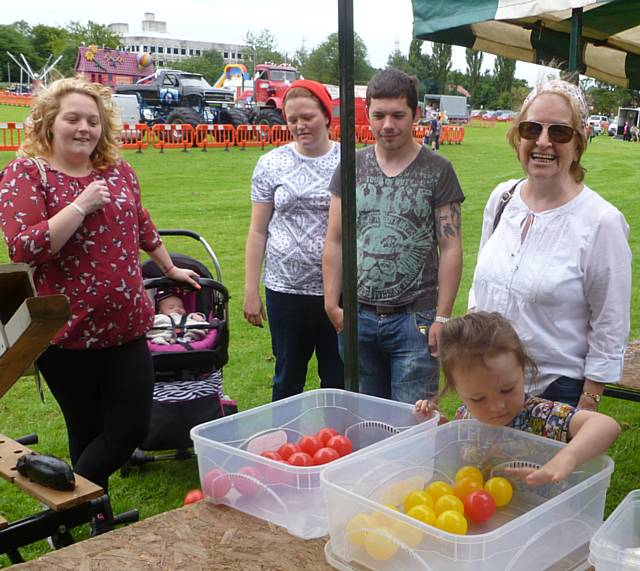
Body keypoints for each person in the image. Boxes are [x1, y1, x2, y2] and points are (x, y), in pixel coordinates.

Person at [0, 77, 200, 496]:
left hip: (127, 325)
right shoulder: (25, 174)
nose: (84, 128)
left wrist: (168, 266)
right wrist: (80, 205)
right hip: (66, 334)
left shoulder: (117, 170)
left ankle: (68, 507)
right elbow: (27, 247)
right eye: (72, 118)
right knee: (87, 431)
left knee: (130, 428)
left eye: (93, 120)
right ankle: (89, 519)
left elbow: (141, 222)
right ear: (50, 122)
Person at [469, 79, 631, 409]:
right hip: (489, 386)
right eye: (532, 129)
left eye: (558, 132)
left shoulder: (601, 222)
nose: (543, 142)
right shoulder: (502, 198)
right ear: (518, 137)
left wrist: (588, 401)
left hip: (555, 393)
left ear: (578, 143)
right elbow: (479, 286)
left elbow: (610, 325)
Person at [323, 68, 464, 404]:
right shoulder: (350, 166)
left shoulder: (438, 170)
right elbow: (335, 239)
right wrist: (331, 303)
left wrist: (442, 316)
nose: (388, 124)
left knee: (410, 422)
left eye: (398, 115)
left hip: (415, 319)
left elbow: (450, 245)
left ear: (415, 114)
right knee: (363, 417)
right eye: (379, 115)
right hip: (357, 315)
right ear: (368, 115)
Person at [415, 312, 621, 486]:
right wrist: (440, 431)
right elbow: (457, 468)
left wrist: (567, 458)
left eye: (507, 389)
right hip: (491, 525)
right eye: (478, 398)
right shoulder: (464, 418)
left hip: (542, 520)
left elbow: (606, 425)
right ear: (457, 392)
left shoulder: (541, 415)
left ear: (522, 371)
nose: (497, 406)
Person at [243, 79, 344, 401]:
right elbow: (258, 230)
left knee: (338, 377)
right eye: (292, 120)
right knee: (287, 379)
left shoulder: (351, 162)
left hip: (337, 291)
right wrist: (250, 291)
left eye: (308, 117)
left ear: (327, 116)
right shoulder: (271, 164)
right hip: (285, 290)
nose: (300, 126)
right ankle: (286, 448)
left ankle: (340, 449)